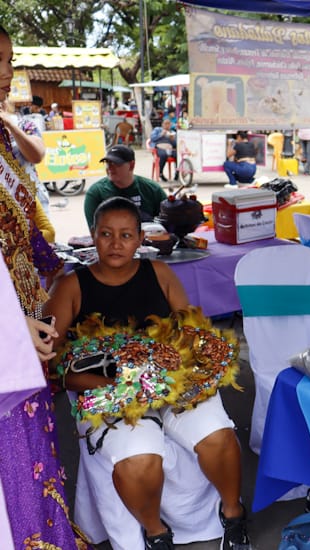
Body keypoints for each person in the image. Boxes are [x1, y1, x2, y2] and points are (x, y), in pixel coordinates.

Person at [45, 197, 251, 550]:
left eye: (126, 235)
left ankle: (233, 514)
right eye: (106, 234)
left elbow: (192, 334)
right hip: (108, 392)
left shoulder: (159, 274)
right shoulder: (70, 287)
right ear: (93, 235)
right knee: (139, 457)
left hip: (170, 382)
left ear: (141, 239)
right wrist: (110, 383)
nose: (116, 243)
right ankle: (156, 533)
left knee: (218, 435)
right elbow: (51, 362)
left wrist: (189, 369)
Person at [0, 23, 87, 549]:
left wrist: (53, 273)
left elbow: (23, 226)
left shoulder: (2, 134)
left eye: (9, 60)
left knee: (37, 440)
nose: (6, 72)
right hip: (6, 327)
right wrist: (12, 323)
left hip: (24, 311)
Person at [84, 144, 167, 228]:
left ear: (131, 165)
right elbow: (95, 231)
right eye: (108, 163)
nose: (110, 168)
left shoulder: (152, 190)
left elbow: (168, 222)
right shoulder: (96, 193)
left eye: (116, 163)